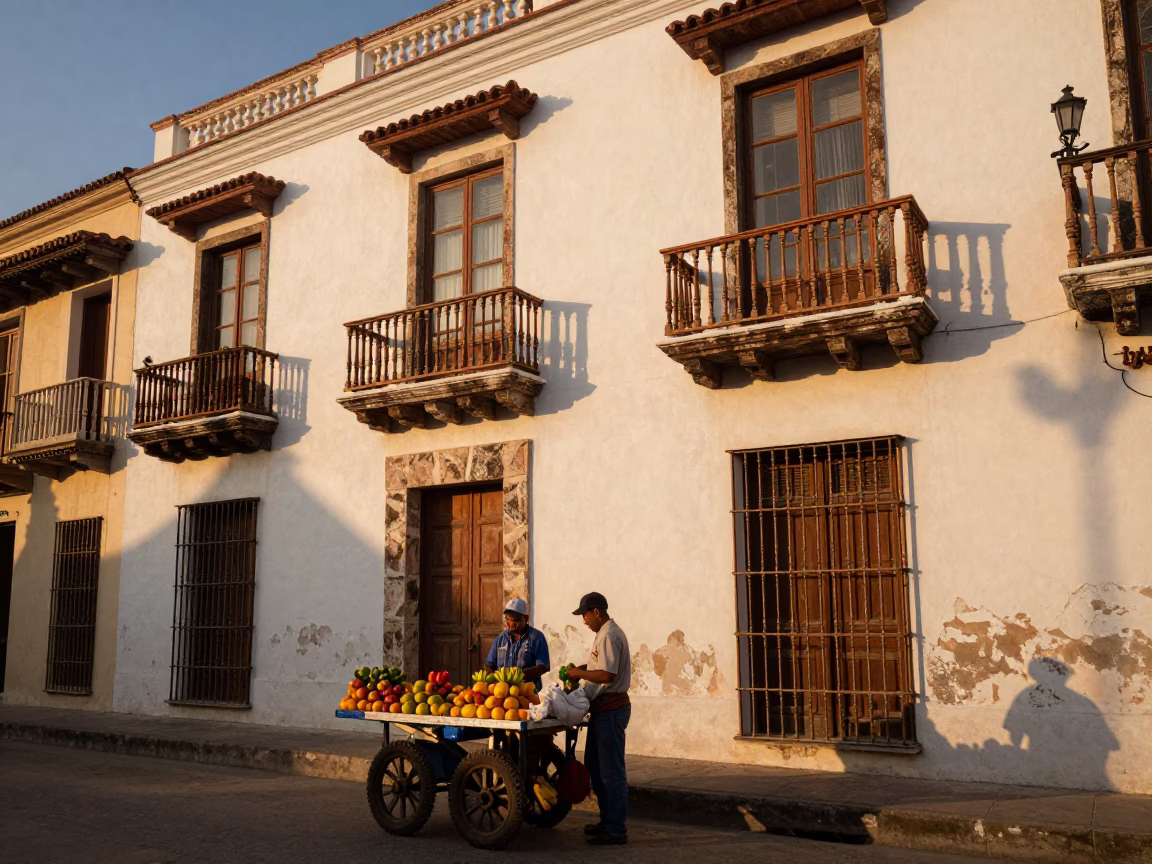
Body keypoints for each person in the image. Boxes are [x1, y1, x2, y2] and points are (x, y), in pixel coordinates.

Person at [566, 591, 631, 846]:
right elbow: (598, 668)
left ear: (596, 612)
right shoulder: (603, 635)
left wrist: (577, 673)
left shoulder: (609, 635)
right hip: (602, 711)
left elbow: (607, 675)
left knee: (611, 772)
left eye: (584, 615)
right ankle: (607, 821)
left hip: (611, 710)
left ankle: (616, 828)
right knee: (594, 766)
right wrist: (581, 670)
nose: (583, 620)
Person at [484, 597, 550, 690]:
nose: (511, 624)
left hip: (529, 693)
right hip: (502, 693)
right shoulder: (500, 640)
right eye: (508, 619)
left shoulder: (536, 637)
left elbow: (543, 667)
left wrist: (518, 675)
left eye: (516, 620)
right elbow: (489, 664)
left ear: (526, 618)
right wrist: (492, 674)